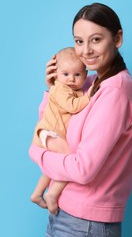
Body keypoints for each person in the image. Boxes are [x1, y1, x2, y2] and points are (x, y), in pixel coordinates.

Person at [29, 2, 132, 237]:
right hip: (66, 213)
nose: (86, 50)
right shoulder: (88, 84)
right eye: (79, 41)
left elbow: (83, 169)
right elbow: (54, 126)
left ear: (117, 38)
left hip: (85, 223)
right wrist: (53, 91)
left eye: (96, 39)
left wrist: (39, 154)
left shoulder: (115, 91)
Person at [30, 47, 90, 214]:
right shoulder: (60, 89)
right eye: (65, 74)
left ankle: (37, 193)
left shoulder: (75, 90)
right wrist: (88, 97)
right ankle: (53, 193)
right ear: (56, 74)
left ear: (85, 76)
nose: (71, 79)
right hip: (49, 132)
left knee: (54, 166)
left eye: (77, 75)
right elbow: (72, 106)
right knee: (68, 157)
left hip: (50, 132)